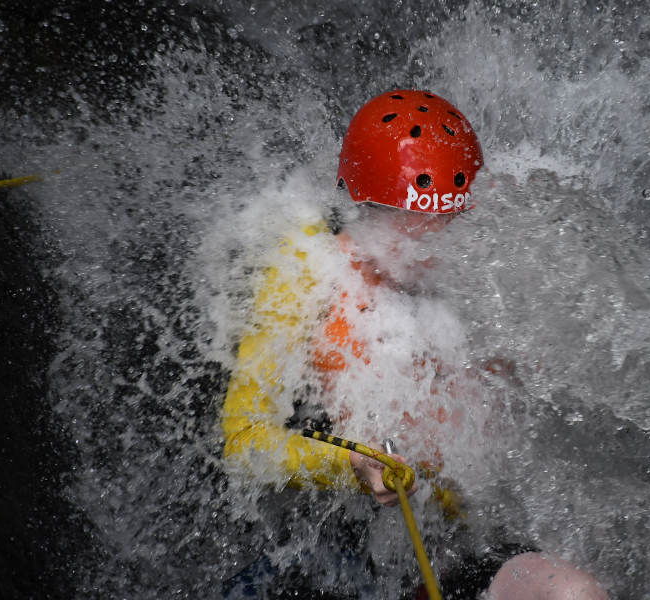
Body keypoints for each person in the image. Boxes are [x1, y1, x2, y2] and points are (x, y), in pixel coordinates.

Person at [221, 89, 607, 599]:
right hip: (336, 547)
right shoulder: (304, 272)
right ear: (364, 206)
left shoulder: (471, 276)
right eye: (416, 231)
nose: (434, 250)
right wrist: (351, 464)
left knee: (574, 594)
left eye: (448, 228)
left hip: (449, 538)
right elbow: (243, 443)